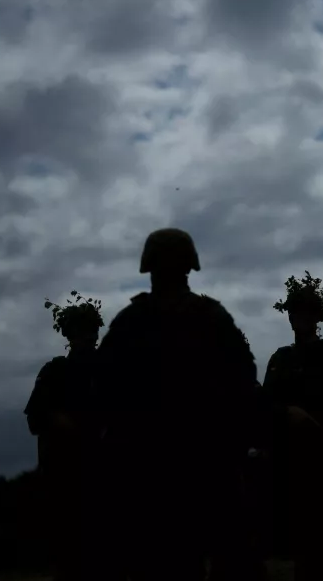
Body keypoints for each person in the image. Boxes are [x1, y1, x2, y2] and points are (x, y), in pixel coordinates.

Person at [95, 228, 262, 581]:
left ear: (149, 267)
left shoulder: (132, 322)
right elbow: (245, 381)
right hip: (199, 458)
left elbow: (103, 387)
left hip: (163, 462)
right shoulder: (210, 316)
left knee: (172, 560)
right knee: (228, 555)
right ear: (190, 266)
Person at [263, 280, 323, 581]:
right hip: (293, 461)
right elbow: (265, 407)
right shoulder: (280, 360)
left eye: (306, 313)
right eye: (295, 313)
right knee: (303, 549)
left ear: (317, 317)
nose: (300, 319)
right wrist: (287, 413)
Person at [24, 294, 105, 581]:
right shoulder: (55, 371)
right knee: (71, 562)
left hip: (104, 483)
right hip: (65, 483)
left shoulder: (108, 370)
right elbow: (36, 419)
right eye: (81, 331)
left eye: (91, 331)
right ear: (69, 334)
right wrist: (68, 426)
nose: (88, 337)